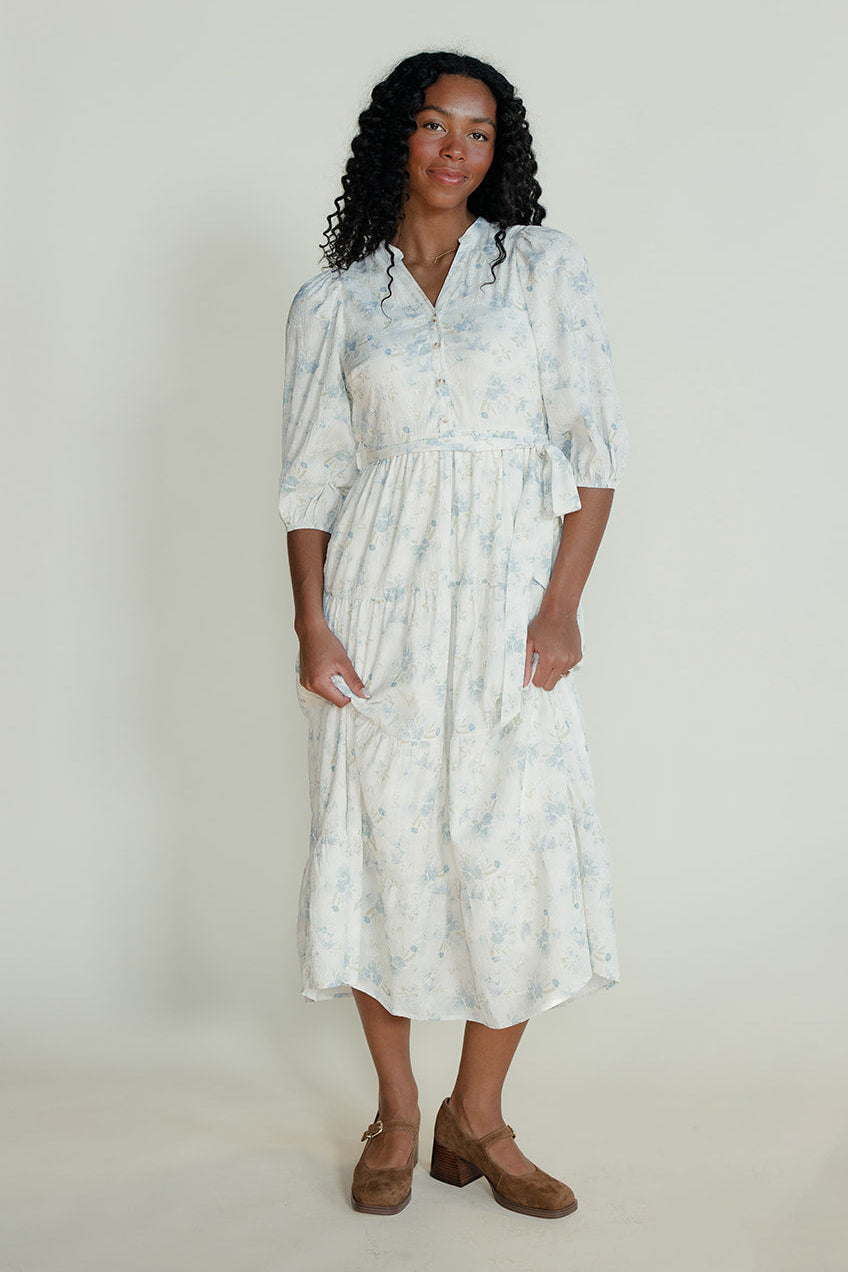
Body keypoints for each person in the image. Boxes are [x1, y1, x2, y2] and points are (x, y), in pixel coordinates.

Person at [278, 51, 630, 1219]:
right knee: (384, 849)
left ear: (497, 153)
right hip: (377, 609)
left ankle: (475, 1120)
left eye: (476, 133)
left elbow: (592, 456)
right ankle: (393, 1108)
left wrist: (561, 603)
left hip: (505, 608)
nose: (452, 149)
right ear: (396, 136)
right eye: (432, 125)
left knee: (506, 850)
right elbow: (311, 482)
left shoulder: (537, 270)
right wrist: (312, 625)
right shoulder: (334, 301)